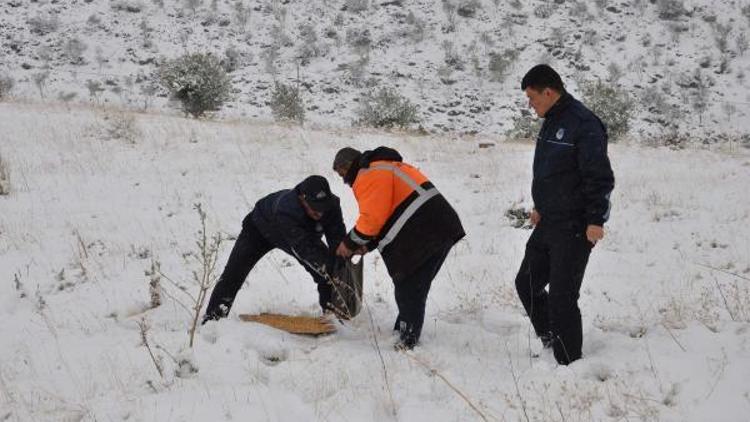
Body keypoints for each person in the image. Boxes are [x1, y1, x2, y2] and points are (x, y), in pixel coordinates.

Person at [514, 64, 615, 365]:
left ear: (549, 91)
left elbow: (599, 177)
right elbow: (551, 171)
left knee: (562, 296)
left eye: (532, 98)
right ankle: (550, 336)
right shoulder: (552, 120)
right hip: (549, 221)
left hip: (576, 225)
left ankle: (569, 360)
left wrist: (596, 220)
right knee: (526, 284)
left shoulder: (584, 124)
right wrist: (539, 206)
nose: (530, 105)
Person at [332, 146, 465, 350]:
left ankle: (407, 341)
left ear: (349, 165)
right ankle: (402, 332)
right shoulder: (382, 168)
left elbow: (372, 220)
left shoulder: (368, 174)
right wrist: (366, 246)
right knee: (412, 285)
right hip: (438, 226)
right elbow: (386, 215)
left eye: (342, 174)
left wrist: (348, 244)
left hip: (427, 229)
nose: (344, 181)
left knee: (410, 286)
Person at [202, 175, 345, 323]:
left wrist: (340, 261)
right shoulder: (286, 210)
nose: (320, 213)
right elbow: (304, 249)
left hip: (301, 234)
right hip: (260, 229)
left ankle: (333, 316)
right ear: (302, 198)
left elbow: (338, 239)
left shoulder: (332, 206)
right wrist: (328, 266)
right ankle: (213, 320)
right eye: (315, 209)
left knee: (327, 271)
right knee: (233, 275)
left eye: (323, 208)